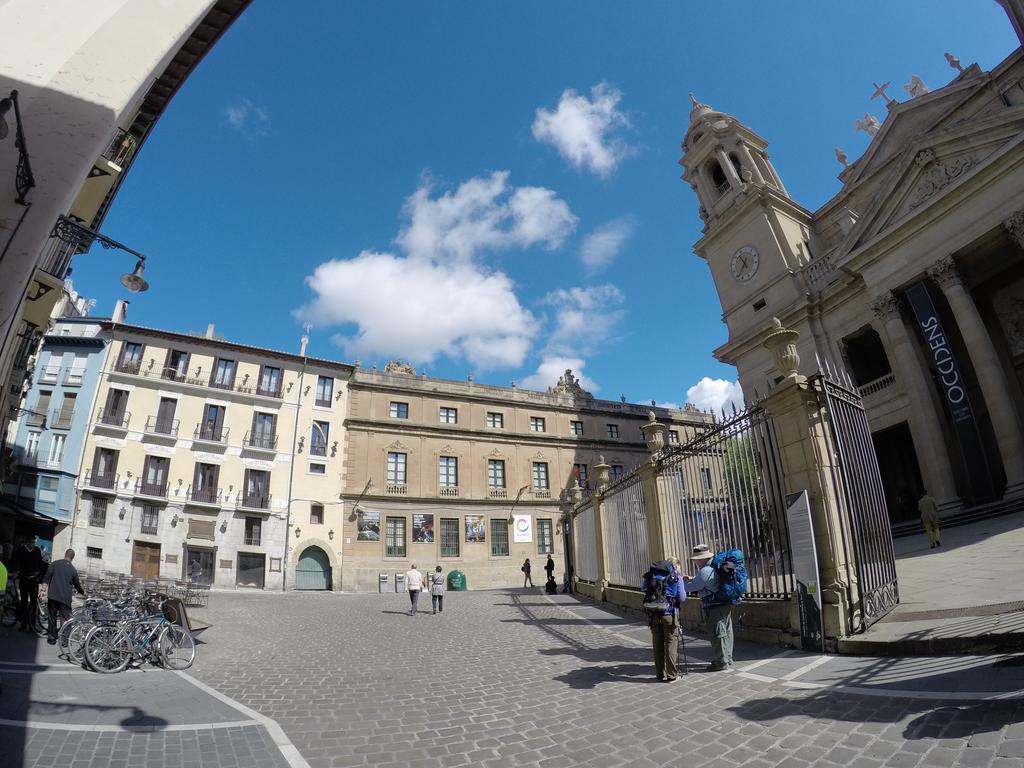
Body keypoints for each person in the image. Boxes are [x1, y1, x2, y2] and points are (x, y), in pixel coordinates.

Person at [682, 543, 733, 672]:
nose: (695, 562)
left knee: (718, 634)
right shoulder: (714, 567)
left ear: (701, 559)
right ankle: (727, 657)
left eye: (695, 560)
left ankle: (721, 662)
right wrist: (693, 578)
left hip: (713, 606)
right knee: (726, 631)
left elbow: (691, 587)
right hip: (724, 603)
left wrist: (679, 583)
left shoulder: (705, 570)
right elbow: (706, 582)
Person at [641, 559, 683, 682]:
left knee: (657, 646)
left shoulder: (651, 576)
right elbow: (681, 596)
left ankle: (659, 674)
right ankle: (671, 675)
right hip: (669, 615)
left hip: (654, 614)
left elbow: (643, 589)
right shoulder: (675, 577)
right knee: (671, 644)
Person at [42, 549, 85, 645]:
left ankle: (51, 638)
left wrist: (43, 590)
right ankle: (65, 641)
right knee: (66, 619)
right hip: (65, 598)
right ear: (72, 558)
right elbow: (77, 585)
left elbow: (47, 577)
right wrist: (82, 592)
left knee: (52, 617)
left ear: (64, 554)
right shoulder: (73, 569)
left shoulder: (55, 564)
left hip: (53, 596)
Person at [12, 534, 44, 632]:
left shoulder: (37, 550)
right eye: (32, 542)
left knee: (34, 602)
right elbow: (14, 561)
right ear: (27, 542)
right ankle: (24, 623)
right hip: (24, 579)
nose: (33, 544)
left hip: (34, 580)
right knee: (24, 602)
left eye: (34, 542)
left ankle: (32, 624)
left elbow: (40, 564)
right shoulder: (21, 550)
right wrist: (15, 572)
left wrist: (39, 575)